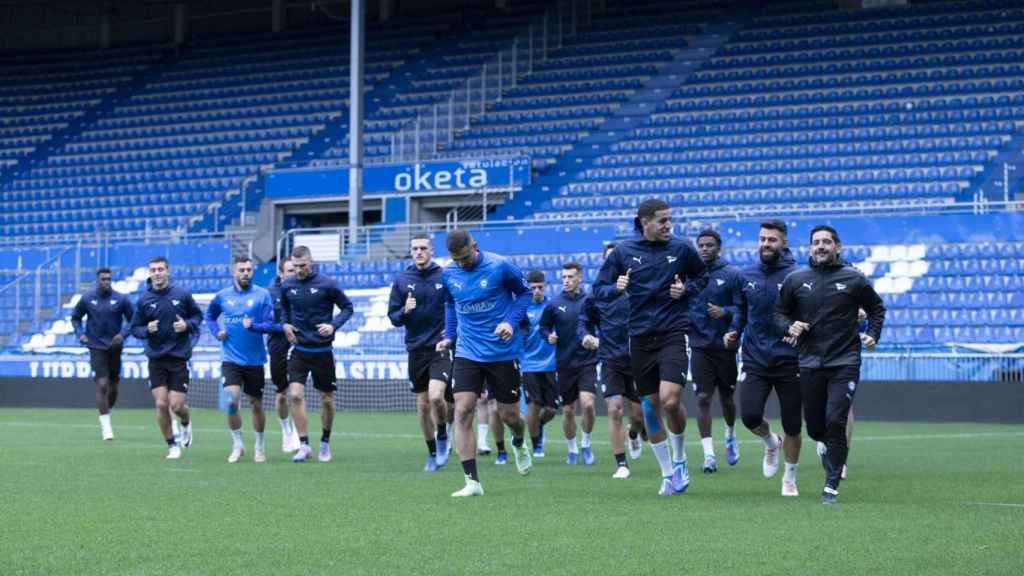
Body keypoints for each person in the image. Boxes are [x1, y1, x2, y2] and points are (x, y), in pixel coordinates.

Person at [594, 198, 708, 496]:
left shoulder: (682, 248)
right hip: (640, 337)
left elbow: (702, 277)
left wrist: (686, 290)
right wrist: (615, 288)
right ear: (644, 222)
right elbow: (598, 290)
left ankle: (681, 457)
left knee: (670, 400)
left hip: (673, 331)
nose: (669, 225)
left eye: (670, 219)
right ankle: (668, 473)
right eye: (662, 220)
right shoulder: (623, 252)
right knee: (650, 406)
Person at [775, 225, 885, 504]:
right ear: (810, 248)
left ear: (838, 247)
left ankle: (831, 485)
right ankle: (826, 449)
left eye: (826, 242)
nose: (821, 246)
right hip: (809, 361)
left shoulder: (854, 279)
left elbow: (876, 308)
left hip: (845, 361)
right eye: (816, 242)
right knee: (814, 427)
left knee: (836, 420)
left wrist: (872, 335)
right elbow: (779, 313)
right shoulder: (796, 279)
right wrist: (790, 325)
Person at [438, 230, 533, 497]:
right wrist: (449, 335)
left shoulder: (500, 266)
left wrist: (510, 323)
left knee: (509, 416)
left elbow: (524, 295)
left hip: (502, 351)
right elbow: (449, 303)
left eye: (466, 257)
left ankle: (518, 440)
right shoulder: (448, 274)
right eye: (457, 260)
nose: (462, 264)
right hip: (468, 351)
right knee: (463, 410)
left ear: (475, 247)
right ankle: (472, 482)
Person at [724, 219, 803, 496]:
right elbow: (741, 312)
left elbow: (808, 314)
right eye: (762, 239)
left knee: (793, 423)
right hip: (755, 358)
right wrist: (734, 330)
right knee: (749, 416)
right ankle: (771, 442)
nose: (766, 244)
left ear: (784, 243)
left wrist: (801, 329)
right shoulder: (745, 276)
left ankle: (789, 478)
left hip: (789, 359)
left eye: (772, 239)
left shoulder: (797, 276)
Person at [280, 245, 354, 463]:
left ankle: (325, 442)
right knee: (294, 395)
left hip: (323, 352)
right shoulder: (288, 285)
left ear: (311, 262)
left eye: (303, 266)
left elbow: (348, 308)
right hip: (299, 351)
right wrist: (285, 325)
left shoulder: (328, 284)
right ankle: (303, 445)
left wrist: (333, 326)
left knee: (327, 400)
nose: (299, 270)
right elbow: (284, 309)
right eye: (295, 266)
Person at [578, 243, 645, 479]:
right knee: (614, 410)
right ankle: (621, 464)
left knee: (638, 416)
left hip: (638, 360)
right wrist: (586, 336)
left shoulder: (640, 289)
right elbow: (583, 322)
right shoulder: (597, 295)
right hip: (610, 360)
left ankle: (634, 434)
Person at [388, 234, 454, 472]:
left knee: (437, 397)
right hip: (415, 349)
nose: (418, 252)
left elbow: (456, 306)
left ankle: (444, 435)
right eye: (414, 248)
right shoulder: (402, 279)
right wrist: (404, 311)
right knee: (423, 404)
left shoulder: (445, 276)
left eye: (423, 248)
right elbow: (393, 318)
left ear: (431, 250)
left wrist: (451, 331)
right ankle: (432, 452)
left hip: (440, 347)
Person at [130, 256, 202, 459]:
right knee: (161, 404)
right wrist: (147, 329)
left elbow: (198, 317)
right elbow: (134, 328)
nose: (157, 273)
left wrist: (187, 325)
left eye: (160, 269)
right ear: (149, 273)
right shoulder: (144, 300)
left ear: (168, 271)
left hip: (178, 358)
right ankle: (172, 445)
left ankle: (186, 423)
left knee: (177, 406)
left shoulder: (182, 294)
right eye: (153, 270)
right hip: (156, 359)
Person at [206, 257, 275, 463]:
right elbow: (209, 317)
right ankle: (237, 445)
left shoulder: (263, 295)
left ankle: (259, 446)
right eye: (241, 269)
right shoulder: (222, 296)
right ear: (233, 272)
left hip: (254, 360)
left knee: (256, 404)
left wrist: (254, 326)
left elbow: (270, 323)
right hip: (230, 359)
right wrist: (217, 331)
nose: (246, 273)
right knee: (230, 402)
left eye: (249, 269)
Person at [689, 229, 742, 473]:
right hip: (699, 346)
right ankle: (709, 455)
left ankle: (730, 435)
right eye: (701, 245)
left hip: (724, 346)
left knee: (727, 399)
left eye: (709, 245)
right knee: (702, 398)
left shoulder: (731, 274)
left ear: (718, 247)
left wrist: (726, 313)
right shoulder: (690, 275)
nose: (704, 249)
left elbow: (743, 308)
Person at [540, 261, 598, 466]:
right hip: (564, 363)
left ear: (580, 277)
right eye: (564, 277)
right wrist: (549, 336)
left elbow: (601, 323)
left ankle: (586, 444)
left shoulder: (590, 301)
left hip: (588, 361)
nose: (567, 280)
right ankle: (572, 449)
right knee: (568, 410)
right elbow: (543, 327)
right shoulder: (554, 304)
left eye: (571, 276)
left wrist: (595, 339)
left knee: (588, 405)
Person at [245, 258, 300, 452]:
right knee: (282, 393)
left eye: (296, 270)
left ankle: (301, 436)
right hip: (278, 345)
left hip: (300, 344)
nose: (294, 273)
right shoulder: (269, 294)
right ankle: (286, 430)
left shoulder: (303, 289)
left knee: (297, 392)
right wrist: (284, 328)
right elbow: (265, 324)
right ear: (281, 273)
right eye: (290, 270)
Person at [71, 267, 133, 441]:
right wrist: (80, 334)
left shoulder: (121, 299)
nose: (106, 282)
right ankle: (106, 427)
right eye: (103, 279)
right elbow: (75, 317)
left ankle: (108, 411)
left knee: (113, 386)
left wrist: (123, 335)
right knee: (102, 384)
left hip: (115, 347)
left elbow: (133, 319)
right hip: (96, 346)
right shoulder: (87, 298)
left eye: (109, 279)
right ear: (97, 280)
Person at [520, 270, 558, 458]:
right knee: (533, 404)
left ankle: (538, 425)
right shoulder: (521, 307)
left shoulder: (552, 306)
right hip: (529, 364)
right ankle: (536, 446)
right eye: (533, 287)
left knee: (551, 409)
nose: (537, 291)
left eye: (540, 287)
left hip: (551, 363)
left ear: (545, 287)